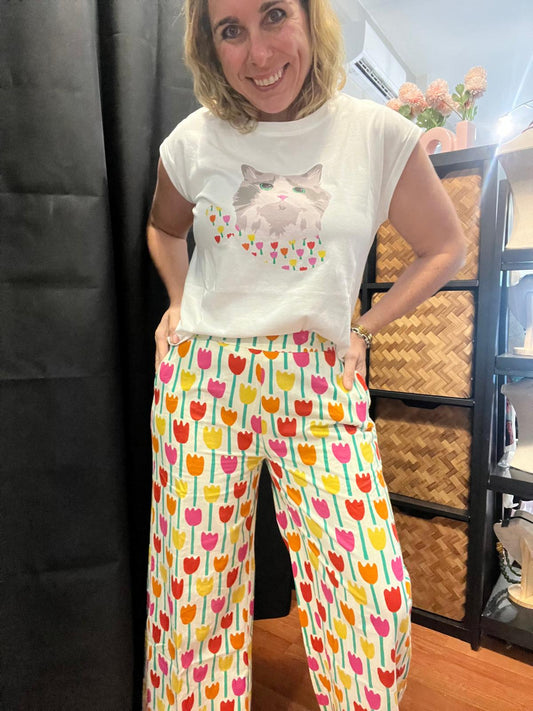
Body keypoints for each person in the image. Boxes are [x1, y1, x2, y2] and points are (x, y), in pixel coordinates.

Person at [143, 1, 466, 709]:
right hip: (205, 378)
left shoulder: (377, 134)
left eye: (273, 15)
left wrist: (365, 328)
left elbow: (444, 247)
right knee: (192, 598)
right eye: (230, 31)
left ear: (310, 16)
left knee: (370, 596)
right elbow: (164, 230)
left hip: (317, 379)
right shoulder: (192, 141)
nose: (258, 53)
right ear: (209, 45)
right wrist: (178, 300)